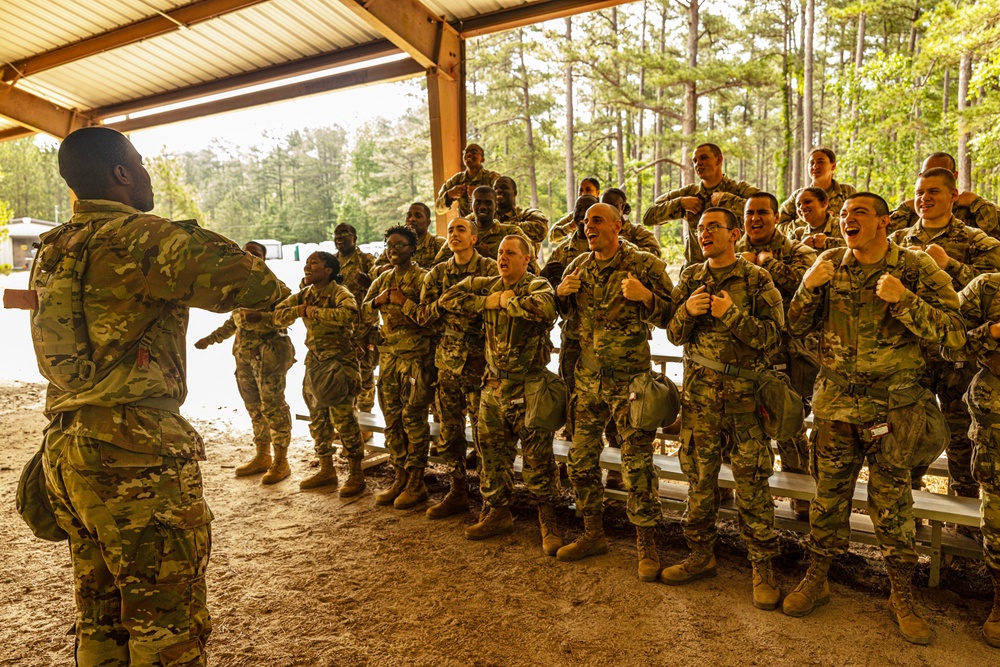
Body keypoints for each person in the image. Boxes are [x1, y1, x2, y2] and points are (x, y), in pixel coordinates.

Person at [39, 126, 284, 666]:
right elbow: (262, 288)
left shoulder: (54, 246)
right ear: (122, 175)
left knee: (100, 617)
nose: (147, 173)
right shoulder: (146, 238)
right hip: (134, 454)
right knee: (166, 628)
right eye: (141, 164)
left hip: (66, 448)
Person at [784, 193, 966, 645]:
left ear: (884, 222)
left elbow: (955, 331)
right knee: (828, 499)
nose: (848, 219)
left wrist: (903, 300)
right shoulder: (827, 264)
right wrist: (807, 286)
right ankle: (817, 578)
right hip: (835, 408)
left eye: (859, 213)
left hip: (892, 411)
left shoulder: (916, 268)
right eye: (844, 213)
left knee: (893, 507)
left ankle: (901, 595)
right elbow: (795, 327)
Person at [663, 207, 785, 606]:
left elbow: (773, 337)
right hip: (700, 403)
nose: (704, 234)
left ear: (734, 234)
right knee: (699, 482)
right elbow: (674, 335)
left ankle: (762, 567)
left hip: (744, 402)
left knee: (752, 486)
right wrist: (686, 312)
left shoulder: (756, 279)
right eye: (700, 229)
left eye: (713, 227)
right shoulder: (691, 277)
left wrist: (729, 314)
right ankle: (700, 554)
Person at [555, 203, 676, 581]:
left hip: (631, 385)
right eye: (586, 222)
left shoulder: (645, 265)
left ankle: (646, 545)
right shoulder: (577, 267)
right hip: (589, 380)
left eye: (597, 221)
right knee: (580, 461)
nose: (588, 227)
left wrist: (646, 298)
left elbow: (675, 318)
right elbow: (565, 321)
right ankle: (593, 533)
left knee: (637, 466)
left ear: (618, 226)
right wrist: (561, 294)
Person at [438, 235, 562, 554]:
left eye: (510, 253)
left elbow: (547, 310)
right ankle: (498, 513)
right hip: (493, 388)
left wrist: (510, 302)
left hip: (529, 386)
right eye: (499, 253)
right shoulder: (488, 285)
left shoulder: (537, 286)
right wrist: (487, 302)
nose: (502, 257)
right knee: (491, 455)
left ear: (527, 259)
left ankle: (548, 521)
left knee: (537, 460)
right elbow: (448, 299)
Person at [889, 167, 1000, 497]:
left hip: (957, 356)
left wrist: (950, 265)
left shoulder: (976, 240)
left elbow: (992, 291)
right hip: (909, 356)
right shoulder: (897, 241)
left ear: (953, 195)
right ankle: (907, 509)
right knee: (906, 434)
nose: (925, 199)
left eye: (934, 191)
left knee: (961, 439)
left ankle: (962, 524)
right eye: (920, 192)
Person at [736, 193, 817, 519]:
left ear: (776, 217)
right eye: (750, 213)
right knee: (742, 427)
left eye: (763, 213)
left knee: (789, 426)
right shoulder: (731, 247)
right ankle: (742, 493)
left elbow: (806, 286)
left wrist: (768, 263)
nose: (755, 219)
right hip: (742, 355)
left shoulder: (797, 251)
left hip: (787, 357)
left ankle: (800, 495)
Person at [414, 217, 498, 519]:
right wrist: (443, 305)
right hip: (448, 361)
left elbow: (498, 303)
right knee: (451, 431)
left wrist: (464, 303)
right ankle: (457, 491)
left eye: (461, 229)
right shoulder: (438, 273)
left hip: (482, 360)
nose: (454, 234)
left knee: (484, 434)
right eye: (450, 230)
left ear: (474, 238)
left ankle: (491, 502)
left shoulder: (490, 268)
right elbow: (423, 316)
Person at [194, 241, 295, 484]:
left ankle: (282, 461)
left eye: (256, 254)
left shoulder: (276, 288)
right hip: (244, 355)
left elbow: (289, 317)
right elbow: (234, 322)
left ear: (264, 259)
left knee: (274, 407)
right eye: (247, 254)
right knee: (254, 407)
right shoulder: (240, 288)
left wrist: (263, 316)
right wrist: (211, 339)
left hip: (269, 355)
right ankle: (263, 455)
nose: (251, 257)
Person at [273, 252, 368, 494]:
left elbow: (349, 315)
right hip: (315, 363)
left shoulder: (339, 292)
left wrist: (312, 312)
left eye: (314, 263)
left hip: (339, 364)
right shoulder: (305, 294)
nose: (307, 266)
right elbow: (277, 316)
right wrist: (300, 310)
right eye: (307, 263)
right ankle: (327, 470)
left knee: (344, 420)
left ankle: (356, 474)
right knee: (318, 419)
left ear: (328, 270)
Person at [362, 226, 437, 508]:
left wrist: (403, 302)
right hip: (390, 360)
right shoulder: (382, 279)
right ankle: (400, 475)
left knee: (413, 420)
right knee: (392, 420)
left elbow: (431, 319)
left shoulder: (424, 278)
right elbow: (363, 313)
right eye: (389, 245)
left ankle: (417, 481)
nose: (393, 250)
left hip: (416, 360)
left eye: (400, 245)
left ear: (413, 248)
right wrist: (378, 301)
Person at [946, 273, 1000, 648]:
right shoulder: (986, 287)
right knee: (997, 518)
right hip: (996, 424)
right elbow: (948, 344)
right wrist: (992, 332)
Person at [643, 143, 759, 268]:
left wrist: (728, 200)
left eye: (704, 158)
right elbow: (649, 216)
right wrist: (680, 203)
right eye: (695, 161)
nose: (698, 163)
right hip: (695, 272)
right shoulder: (690, 193)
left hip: (731, 269)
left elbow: (767, 211)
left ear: (719, 160)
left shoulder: (737, 190)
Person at [889, 152, 1000, 237]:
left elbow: (994, 235)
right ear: (920, 176)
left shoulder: (973, 209)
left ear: (954, 176)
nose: (933, 177)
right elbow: (881, 235)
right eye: (928, 173)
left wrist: (978, 203)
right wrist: (904, 209)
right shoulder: (912, 210)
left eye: (941, 172)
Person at [332, 223, 379, 421]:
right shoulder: (330, 262)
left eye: (345, 233)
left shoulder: (366, 261)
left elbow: (381, 288)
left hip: (363, 330)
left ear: (355, 237)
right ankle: (349, 422)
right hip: (338, 332)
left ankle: (366, 421)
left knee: (365, 376)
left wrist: (368, 284)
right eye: (336, 234)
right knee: (342, 377)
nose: (340, 237)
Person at [432, 186, 536, 269]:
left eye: (488, 203)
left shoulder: (511, 232)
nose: (482, 207)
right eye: (478, 202)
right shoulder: (459, 234)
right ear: (470, 206)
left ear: (495, 206)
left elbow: (532, 268)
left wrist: (490, 258)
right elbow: (436, 266)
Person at [777, 147, 857, 228]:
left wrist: (831, 219)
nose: (815, 166)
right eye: (811, 163)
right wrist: (807, 219)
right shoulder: (798, 196)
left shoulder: (847, 191)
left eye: (820, 162)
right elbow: (778, 225)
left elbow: (858, 220)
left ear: (833, 166)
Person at [374, 202, 446, 273]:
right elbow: (372, 270)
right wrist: (382, 270)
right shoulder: (396, 244)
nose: (412, 219)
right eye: (409, 215)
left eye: (418, 216)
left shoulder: (439, 244)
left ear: (428, 222)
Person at [435, 143, 501, 218]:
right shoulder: (457, 179)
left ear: (482, 159)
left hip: (489, 226)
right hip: (465, 227)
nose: (469, 154)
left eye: (474, 152)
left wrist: (480, 195)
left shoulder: (492, 177)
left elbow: (504, 202)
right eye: (466, 152)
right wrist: (450, 195)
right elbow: (438, 209)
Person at [600, 187, 662, 255]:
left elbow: (656, 253)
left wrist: (626, 248)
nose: (607, 210)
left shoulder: (636, 231)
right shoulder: (596, 231)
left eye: (612, 206)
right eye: (604, 206)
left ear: (622, 206)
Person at [493, 175, 549, 246]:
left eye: (504, 188)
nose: (498, 191)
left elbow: (541, 230)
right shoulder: (487, 217)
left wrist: (498, 227)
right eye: (495, 188)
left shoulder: (527, 215)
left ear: (514, 192)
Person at [549, 177, 602, 244]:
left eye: (588, 190)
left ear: (598, 192)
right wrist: (570, 226)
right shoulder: (575, 216)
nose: (583, 193)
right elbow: (552, 237)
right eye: (581, 190)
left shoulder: (605, 213)